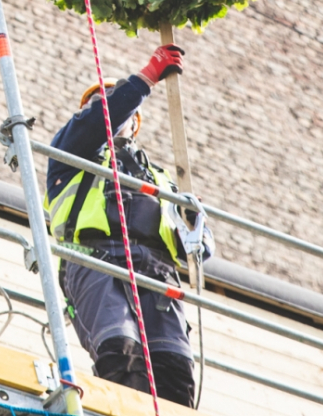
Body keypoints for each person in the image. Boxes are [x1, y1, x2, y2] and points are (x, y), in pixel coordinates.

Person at [45, 44, 213, 407]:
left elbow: (194, 248)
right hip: (96, 259)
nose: (106, 104)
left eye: (115, 99)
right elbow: (98, 120)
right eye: (99, 100)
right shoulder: (69, 155)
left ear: (135, 122)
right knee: (122, 356)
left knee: (174, 370)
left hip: (157, 271)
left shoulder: (162, 179)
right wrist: (147, 76)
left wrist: (198, 234)